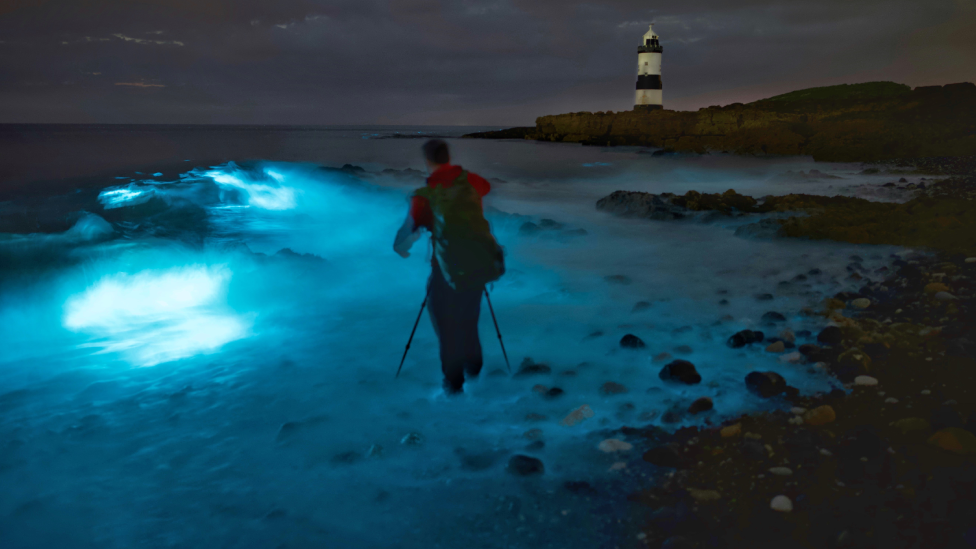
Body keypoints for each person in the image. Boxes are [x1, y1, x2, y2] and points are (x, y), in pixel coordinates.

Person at [393, 139, 503, 395]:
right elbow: (485, 188)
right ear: (448, 157)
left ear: (427, 161)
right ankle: (474, 368)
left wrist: (404, 247)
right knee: (470, 317)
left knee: (447, 326)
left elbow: (404, 238)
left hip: (445, 271)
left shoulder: (425, 196)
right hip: (476, 263)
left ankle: (454, 386)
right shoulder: (473, 182)